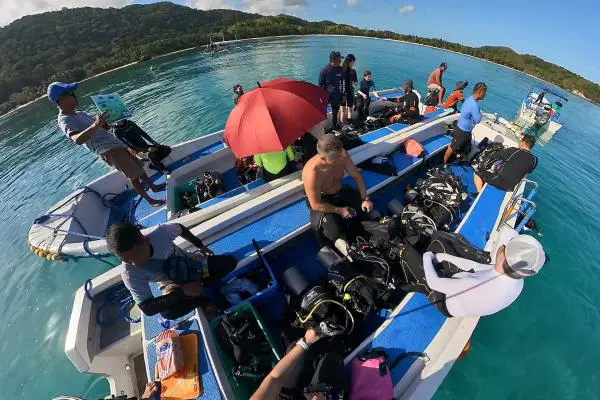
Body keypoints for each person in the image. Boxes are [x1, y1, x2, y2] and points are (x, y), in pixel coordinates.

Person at [48, 82, 166, 206]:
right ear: (61, 99)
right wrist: (96, 124)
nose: (75, 97)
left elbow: (104, 128)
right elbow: (77, 139)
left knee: (139, 168)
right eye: (71, 94)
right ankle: (150, 201)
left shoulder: (81, 114)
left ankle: (153, 186)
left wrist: (110, 118)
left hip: (116, 144)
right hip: (108, 150)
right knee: (134, 176)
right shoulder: (65, 120)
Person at [400, 226, 546, 317]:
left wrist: (427, 257)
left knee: (406, 252)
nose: (503, 245)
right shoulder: (516, 279)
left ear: (502, 255)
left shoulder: (473, 285)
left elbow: (434, 282)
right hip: (463, 286)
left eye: (505, 245)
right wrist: (445, 257)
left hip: (445, 302)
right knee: (440, 242)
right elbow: (477, 267)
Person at [106, 222, 237, 320]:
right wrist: (182, 291)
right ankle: (202, 301)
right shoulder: (129, 273)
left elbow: (181, 229)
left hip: (194, 266)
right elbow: (147, 308)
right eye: (126, 260)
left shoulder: (161, 233)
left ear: (144, 240)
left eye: (135, 256)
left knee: (230, 262)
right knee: (167, 313)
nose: (134, 263)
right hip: (172, 284)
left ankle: (200, 288)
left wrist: (200, 245)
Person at [302, 134, 373, 247]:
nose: (341, 158)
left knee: (365, 210)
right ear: (323, 158)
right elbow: (315, 204)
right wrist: (339, 210)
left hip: (340, 191)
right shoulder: (312, 172)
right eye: (336, 158)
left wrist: (365, 198)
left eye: (341, 154)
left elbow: (357, 177)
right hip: (323, 201)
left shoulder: (342, 154)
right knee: (334, 232)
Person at [251, 328, 347, 400]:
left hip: (287, 395)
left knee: (294, 349)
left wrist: (304, 343)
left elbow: (274, 378)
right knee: (332, 363)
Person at [474, 135, 538, 192]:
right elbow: (529, 171)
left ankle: (479, 191)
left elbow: (495, 156)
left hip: (499, 181)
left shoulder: (514, 150)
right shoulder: (535, 160)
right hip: (510, 188)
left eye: (520, 141)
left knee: (478, 171)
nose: (519, 143)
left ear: (523, 143)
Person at [443, 82, 487, 164]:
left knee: (466, 148)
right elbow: (477, 120)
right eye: (484, 92)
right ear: (480, 92)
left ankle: (458, 158)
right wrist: (480, 114)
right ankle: (444, 162)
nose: (485, 95)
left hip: (463, 128)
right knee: (453, 147)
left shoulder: (469, 99)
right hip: (462, 131)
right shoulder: (474, 105)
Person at [318, 51, 344, 130]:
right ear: (333, 60)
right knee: (322, 114)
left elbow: (343, 83)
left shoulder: (341, 69)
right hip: (326, 96)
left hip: (337, 96)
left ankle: (334, 128)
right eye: (339, 59)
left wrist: (343, 95)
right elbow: (320, 84)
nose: (340, 61)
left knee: (335, 114)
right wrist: (322, 97)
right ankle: (321, 130)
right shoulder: (324, 71)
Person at [340, 54, 358, 125]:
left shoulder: (340, 69)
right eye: (353, 62)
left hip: (342, 94)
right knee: (350, 110)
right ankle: (349, 126)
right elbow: (355, 84)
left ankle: (343, 125)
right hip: (350, 93)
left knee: (342, 111)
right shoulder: (353, 71)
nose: (354, 64)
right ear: (351, 61)